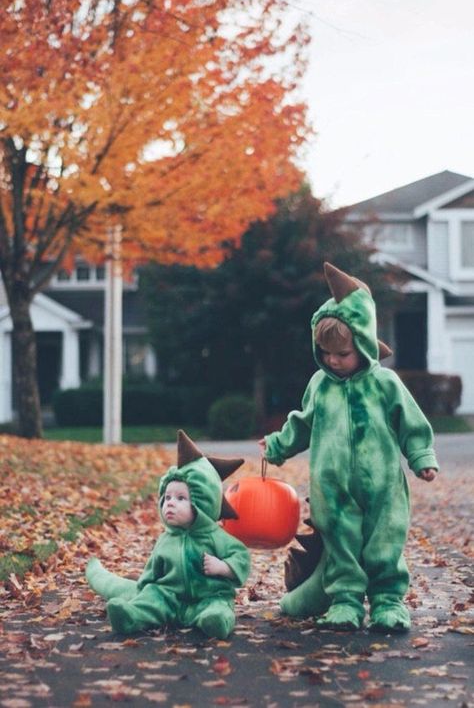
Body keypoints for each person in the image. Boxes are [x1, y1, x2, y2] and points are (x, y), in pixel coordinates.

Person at [259, 262, 438, 633]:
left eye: (342, 353)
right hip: (332, 487)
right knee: (340, 542)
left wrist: (421, 456)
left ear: (363, 343)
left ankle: (388, 601)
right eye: (325, 353)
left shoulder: (385, 383)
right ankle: (345, 600)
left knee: (384, 539)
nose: (333, 360)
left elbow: (411, 421)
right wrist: (277, 445)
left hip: (384, 483)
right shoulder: (319, 386)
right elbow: (303, 423)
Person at [86, 430, 251, 639]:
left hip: (208, 595)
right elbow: (152, 570)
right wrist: (144, 590)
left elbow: (242, 557)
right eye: (167, 497)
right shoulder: (165, 540)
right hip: (168, 596)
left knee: (217, 607)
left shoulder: (217, 537)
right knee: (152, 598)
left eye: (181, 498)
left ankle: (215, 621)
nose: (171, 502)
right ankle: (131, 615)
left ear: (203, 503)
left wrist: (223, 567)